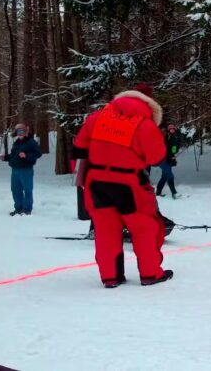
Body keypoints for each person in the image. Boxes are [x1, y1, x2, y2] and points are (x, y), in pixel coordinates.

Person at [72, 83, 173, 288]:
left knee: (105, 231)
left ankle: (110, 276)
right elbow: (156, 157)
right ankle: (150, 273)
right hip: (129, 184)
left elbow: (79, 149)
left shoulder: (96, 118)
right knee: (144, 228)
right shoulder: (145, 125)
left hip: (97, 182)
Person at [0, 123, 42, 216]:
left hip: (26, 169)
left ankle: (27, 210)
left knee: (27, 190)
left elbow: (38, 153)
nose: (20, 133)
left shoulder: (31, 142)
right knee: (15, 190)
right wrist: (5, 157)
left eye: (22, 131)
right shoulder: (16, 142)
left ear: (25, 131)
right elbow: (14, 156)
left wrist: (26, 155)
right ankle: (18, 208)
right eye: (18, 131)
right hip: (15, 170)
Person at [156, 123, 181, 198]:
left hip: (168, 159)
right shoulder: (163, 137)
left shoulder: (173, 137)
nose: (171, 130)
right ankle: (174, 193)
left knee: (164, 176)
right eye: (170, 129)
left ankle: (158, 192)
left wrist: (174, 150)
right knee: (169, 175)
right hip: (161, 159)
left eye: (173, 128)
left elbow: (173, 150)